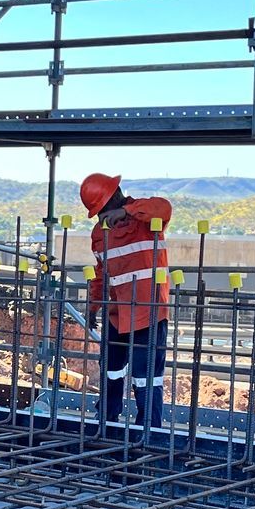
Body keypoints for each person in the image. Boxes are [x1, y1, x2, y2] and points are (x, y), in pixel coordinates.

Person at [80, 172, 172, 433]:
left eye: (102, 209)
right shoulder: (101, 233)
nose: (100, 216)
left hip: (149, 312)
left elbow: (164, 207)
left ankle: (148, 431)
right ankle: (106, 422)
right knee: (111, 371)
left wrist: (127, 212)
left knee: (146, 377)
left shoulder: (146, 220)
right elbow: (101, 273)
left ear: (115, 198)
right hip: (117, 313)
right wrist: (94, 305)